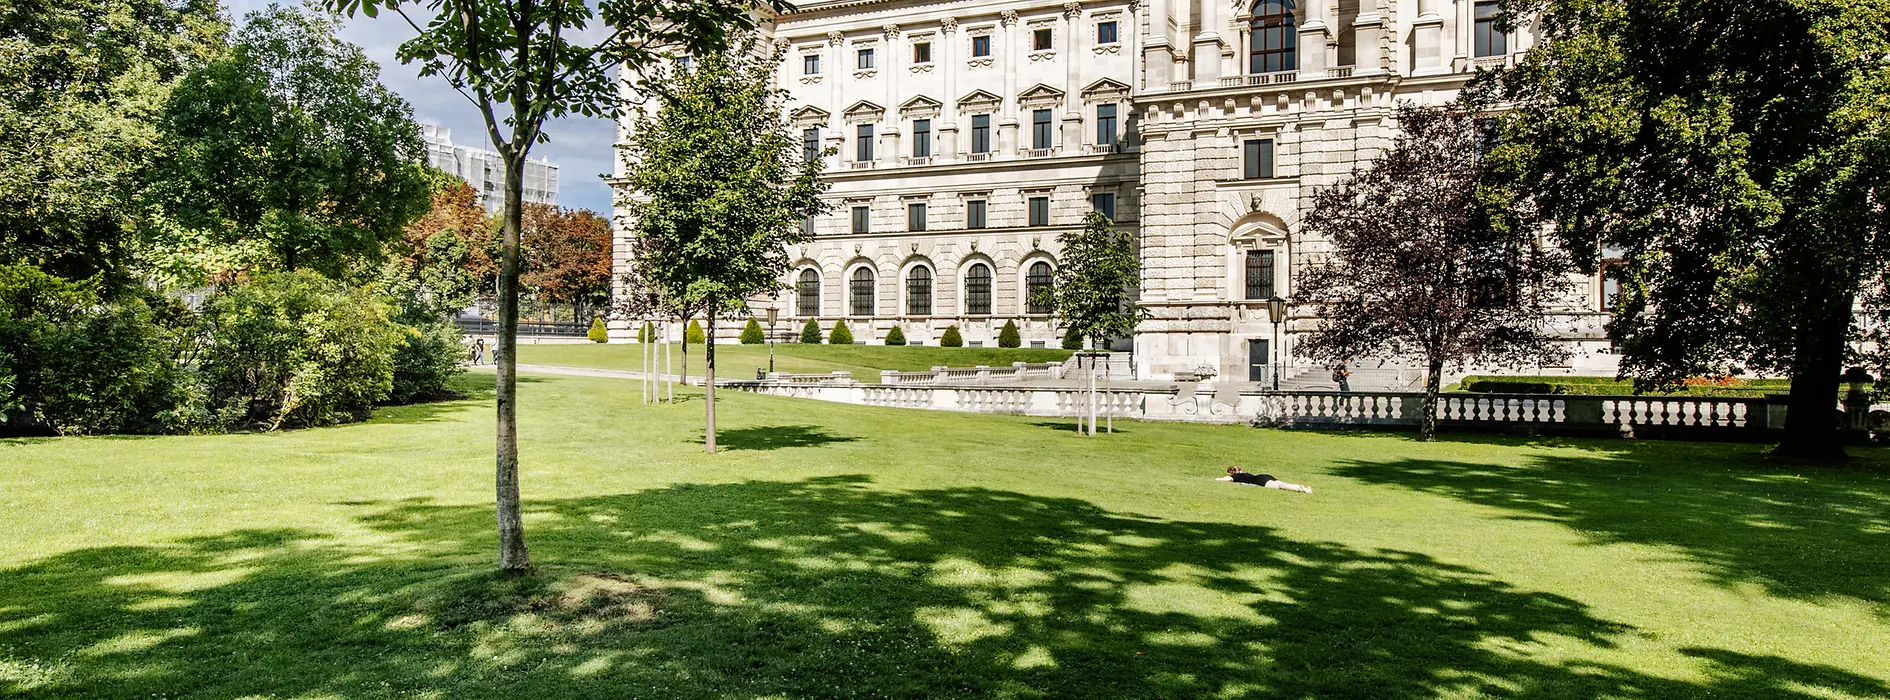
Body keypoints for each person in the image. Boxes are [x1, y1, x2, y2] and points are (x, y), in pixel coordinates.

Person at [1217, 467, 1313, 494]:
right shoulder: (1245, 474)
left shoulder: (1237, 476)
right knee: (1281, 483)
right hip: (1265, 476)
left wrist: (1218, 479)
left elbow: (1227, 479)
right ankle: (1300, 487)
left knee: (1279, 486)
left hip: (1260, 480)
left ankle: (1300, 489)